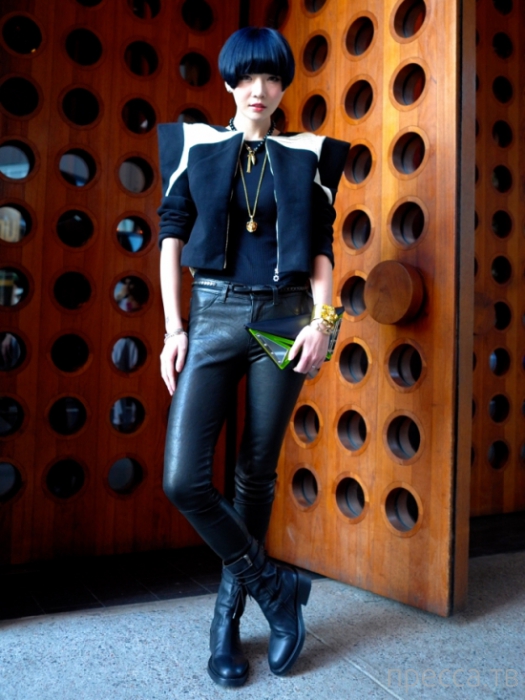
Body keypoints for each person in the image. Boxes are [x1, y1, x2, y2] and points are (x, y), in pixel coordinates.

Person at [157, 27, 350, 687]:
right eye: (245, 77)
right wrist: (173, 329)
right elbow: (171, 235)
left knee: (254, 475)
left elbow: (321, 248)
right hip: (212, 313)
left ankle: (227, 624)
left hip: (283, 318)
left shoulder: (307, 154)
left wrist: (323, 323)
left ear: (283, 84)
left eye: (269, 77)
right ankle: (275, 587)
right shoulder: (196, 144)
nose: (257, 90)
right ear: (228, 82)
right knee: (183, 480)